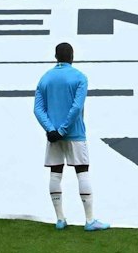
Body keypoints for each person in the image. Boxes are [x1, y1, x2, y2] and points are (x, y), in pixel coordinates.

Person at [34, 41, 107, 231]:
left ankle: (60, 219)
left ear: (56, 57)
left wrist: (51, 129)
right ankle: (89, 220)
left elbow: (38, 109)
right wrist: (64, 129)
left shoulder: (45, 79)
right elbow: (76, 107)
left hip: (53, 137)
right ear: (72, 57)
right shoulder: (80, 78)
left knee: (55, 172)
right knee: (82, 171)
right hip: (74, 134)